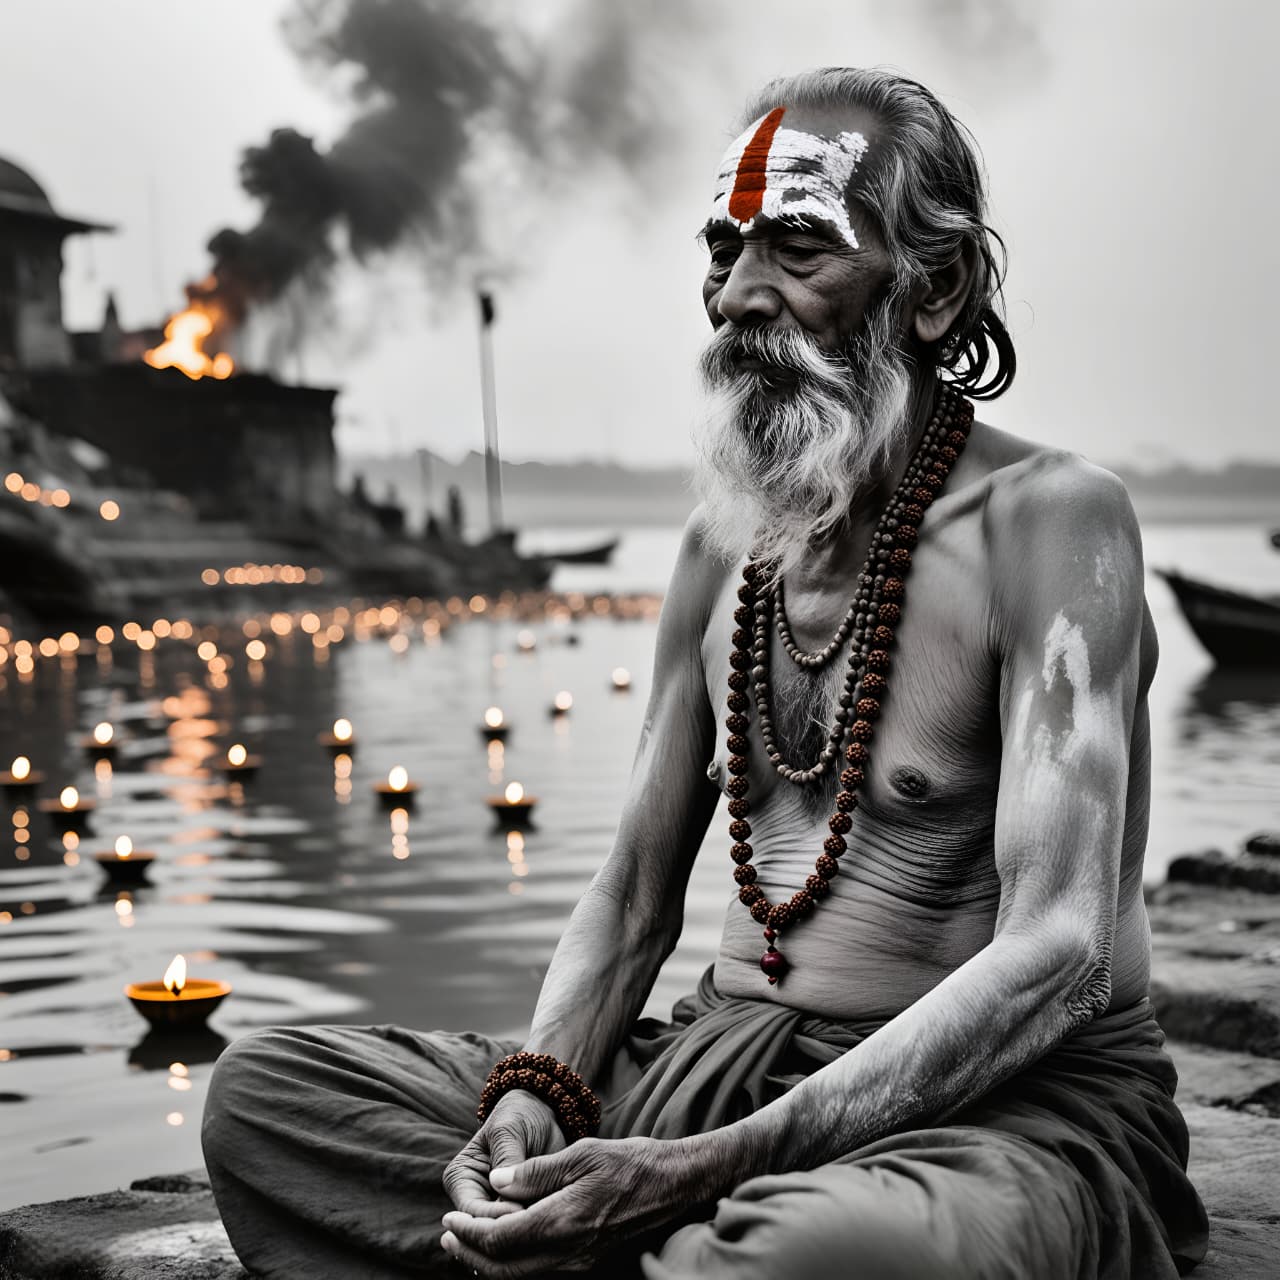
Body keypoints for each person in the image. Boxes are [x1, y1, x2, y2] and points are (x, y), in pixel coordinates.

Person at [202, 67, 1208, 1278]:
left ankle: (666, 1234)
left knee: (818, 1256)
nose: (736, 296)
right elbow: (632, 897)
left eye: (795, 247)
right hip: (711, 1065)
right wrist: (535, 1094)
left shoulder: (1052, 521)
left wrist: (703, 1163)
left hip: (991, 1111)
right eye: (724, 250)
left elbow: (1058, 954)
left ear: (932, 287)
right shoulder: (719, 547)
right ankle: (633, 1232)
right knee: (267, 1093)